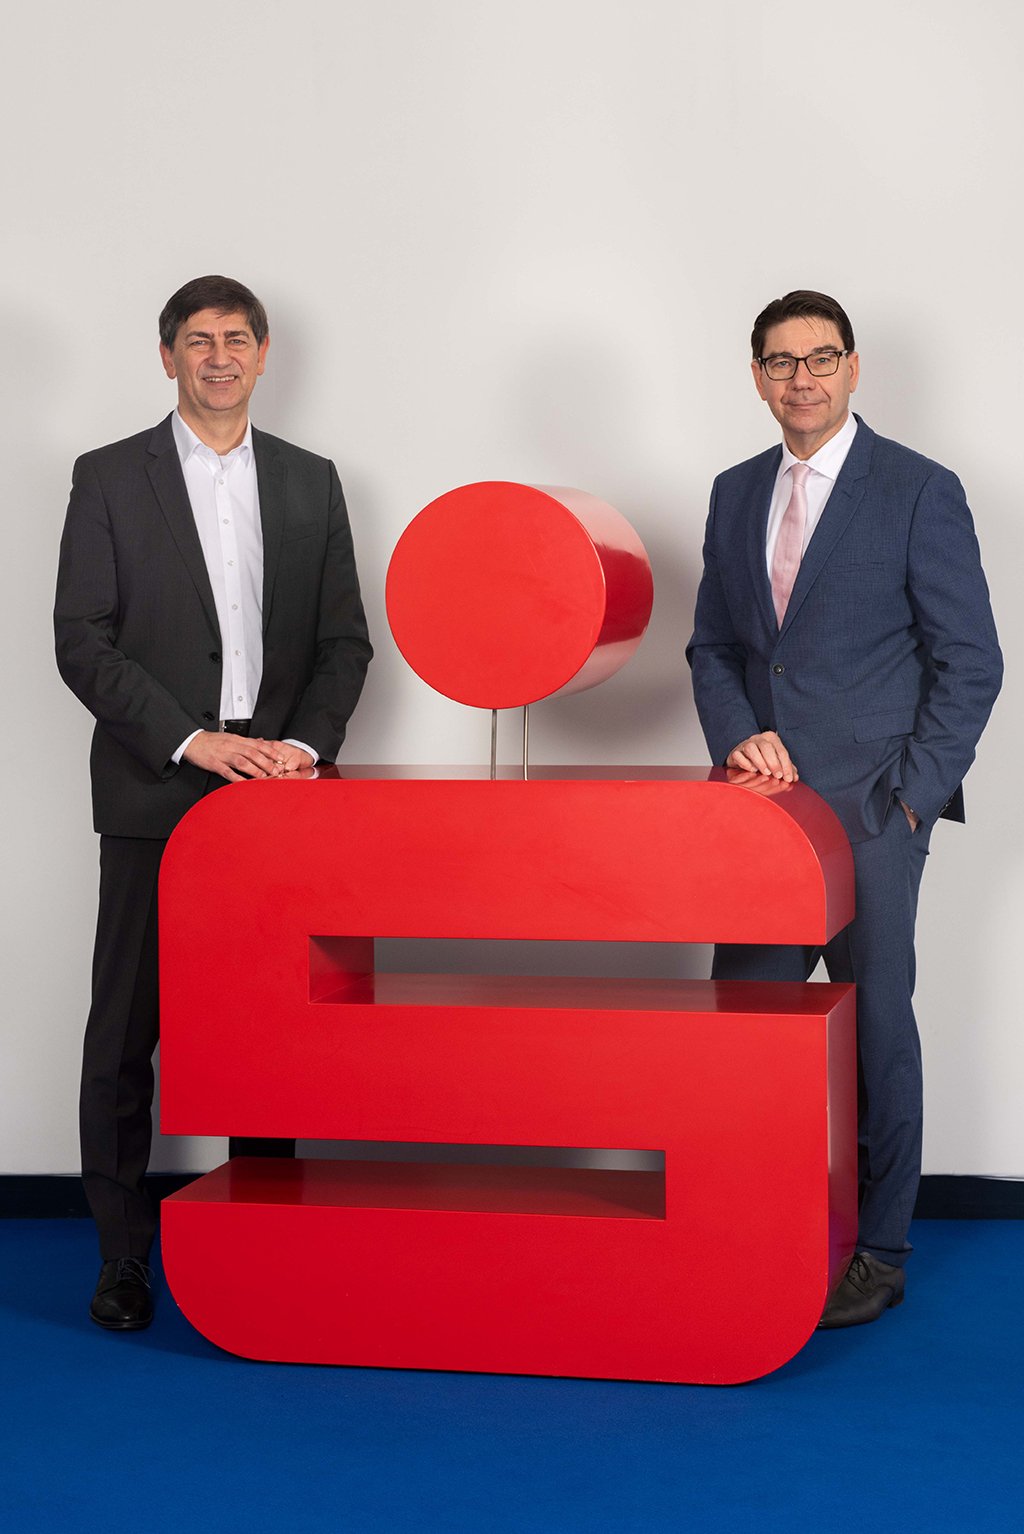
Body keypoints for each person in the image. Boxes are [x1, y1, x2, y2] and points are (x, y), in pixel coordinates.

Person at [55, 275, 372, 1330]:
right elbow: (81, 639)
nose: (219, 356)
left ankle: (261, 1242)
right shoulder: (108, 476)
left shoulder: (311, 481)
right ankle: (120, 1255)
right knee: (124, 1031)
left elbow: (343, 643)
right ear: (168, 357)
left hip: (274, 802)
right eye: (198, 340)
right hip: (155, 786)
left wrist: (300, 749)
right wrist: (195, 742)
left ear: (264, 353)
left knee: (266, 1033)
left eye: (237, 338)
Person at [686, 290, 1001, 1327]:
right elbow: (714, 648)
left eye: (820, 358)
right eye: (781, 362)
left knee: (874, 1027)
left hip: (873, 813)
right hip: (762, 815)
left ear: (853, 368)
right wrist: (737, 733)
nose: (802, 379)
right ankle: (753, 1220)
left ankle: (880, 1246)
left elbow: (972, 661)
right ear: (757, 377)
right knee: (749, 1022)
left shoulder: (916, 489)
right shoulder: (735, 492)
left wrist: (911, 801)